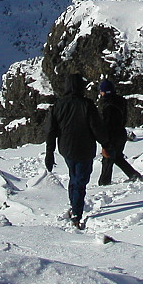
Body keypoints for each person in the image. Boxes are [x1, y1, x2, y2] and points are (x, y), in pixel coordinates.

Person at [44, 73, 108, 228]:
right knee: (80, 180)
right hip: (85, 149)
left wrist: (49, 153)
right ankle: (76, 215)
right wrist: (106, 144)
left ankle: (74, 206)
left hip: (66, 149)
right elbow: (96, 128)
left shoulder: (58, 105)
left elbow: (51, 131)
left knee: (74, 177)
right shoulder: (87, 104)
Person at [96, 78, 143, 185]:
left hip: (112, 135)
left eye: (101, 90)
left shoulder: (106, 104)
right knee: (117, 157)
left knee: (108, 159)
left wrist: (104, 140)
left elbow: (107, 123)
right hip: (121, 133)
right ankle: (133, 175)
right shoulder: (120, 101)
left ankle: (104, 184)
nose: (100, 93)